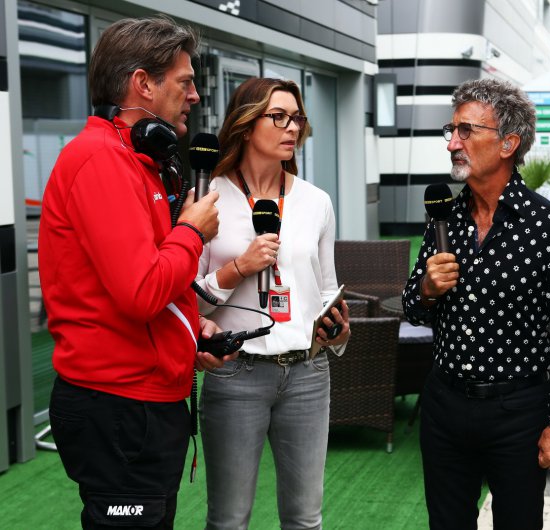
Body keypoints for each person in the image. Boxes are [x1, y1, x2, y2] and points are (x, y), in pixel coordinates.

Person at [39, 16, 230, 529]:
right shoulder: (101, 160)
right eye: (184, 82)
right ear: (143, 83)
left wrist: (190, 332)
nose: (194, 96)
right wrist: (191, 231)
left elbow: (148, 283)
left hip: (141, 401)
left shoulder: (135, 159)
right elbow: (142, 290)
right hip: (119, 405)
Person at [402, 78, 550, 529]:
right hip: (445, 405)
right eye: (451, 131)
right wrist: (427, 289)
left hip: (518, 412)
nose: (453, 143)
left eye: (466, 131)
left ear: (508, 143)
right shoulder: (444, 218)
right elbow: (413, 308)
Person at [195, 77, 351, 530]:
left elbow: (326, 289)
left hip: (308, 373)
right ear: (246, 125)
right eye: (278, 117)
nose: (292, 128)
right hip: (235, 373)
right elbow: (187, 304)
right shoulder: (206, 198)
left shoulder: (316, 202)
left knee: (304, 519)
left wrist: (338, 330)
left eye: (297, 118)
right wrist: (239, 268)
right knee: (228, 520)